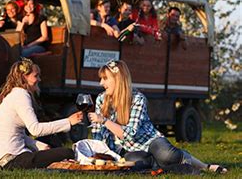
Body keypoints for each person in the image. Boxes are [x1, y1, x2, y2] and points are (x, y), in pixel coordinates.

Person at [88, 60, 227, 174]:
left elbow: (129, 134)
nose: (101, 83)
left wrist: (104, 120)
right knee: (137, 162)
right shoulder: (102, 99)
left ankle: (205, 166)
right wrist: (100, 155)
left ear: (118, 79)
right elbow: (99, 134)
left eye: (105, 78)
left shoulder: (137, 99)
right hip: (127, 149)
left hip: (149, 140)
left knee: (166, 155)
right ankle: (163, 166)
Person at [0, 59, 83, 170]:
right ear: (24, 77)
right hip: (11, 160)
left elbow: (19, 135)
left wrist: (40, 146)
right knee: (67, 152)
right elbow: (35, 129)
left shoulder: (14, 94)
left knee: (51, 144)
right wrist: (68, 122)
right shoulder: (21, 95)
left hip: (3, 160)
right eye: (36, 76)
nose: (39, 79)